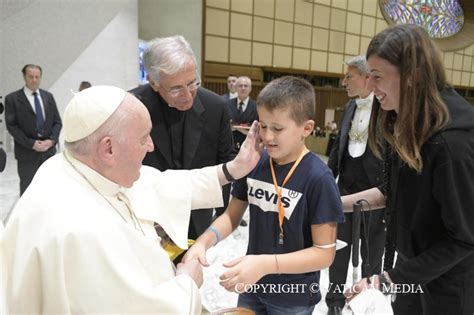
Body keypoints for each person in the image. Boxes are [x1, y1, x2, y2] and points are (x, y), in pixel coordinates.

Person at [2, 85, 262, 314]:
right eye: (143, 138)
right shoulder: (79, 229)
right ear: (109, 149)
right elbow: (138, 308)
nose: (151, 146)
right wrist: (187, 284)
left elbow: (162, 183)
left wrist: (232, 169)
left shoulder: (73, 165)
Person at [342, 25, 474, 314]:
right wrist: (335, 204)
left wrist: (387, 280)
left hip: (451, 280)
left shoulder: (452, 142)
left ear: (412, 76)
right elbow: (393, 192)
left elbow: (464, 237)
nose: (370, 86)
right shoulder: (405, 119)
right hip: (413, 265)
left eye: (376, 77)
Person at [185, 76, 345, 314]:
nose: (268, 137)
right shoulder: (256, 163)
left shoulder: (319, 178)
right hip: (251, 283)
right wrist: (203, 242)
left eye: (278, 129)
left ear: (307, 128)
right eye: (263, 126)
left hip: (293, 295)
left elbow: (324, 253)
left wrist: (264, 264)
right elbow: (231, 216)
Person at [130, 35, 235, 241]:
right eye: (176, 88)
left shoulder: (216, 107)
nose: (188, 96)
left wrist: (220, 213)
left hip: (196, 214)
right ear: (153, 82)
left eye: (192, 83)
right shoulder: (132, 106)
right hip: (148, 216)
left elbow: (224, 158)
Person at [325, 56, 385, 315]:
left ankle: (368, 301)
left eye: (349, 76)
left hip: (376, 194)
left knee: (373, 253)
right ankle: (335, 303)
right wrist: (328, 180)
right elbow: (339, 147)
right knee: (338, 250)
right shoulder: (349, 107)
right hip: (344, 191)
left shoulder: (386, 108)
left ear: (365, 77)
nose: (344, 81)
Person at [4, 64, 62, 195]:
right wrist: (32, 144)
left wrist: (51, 141)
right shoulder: (12, 99)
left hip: (48, 152)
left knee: (49, 188)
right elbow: (12, 126)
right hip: (27, 153)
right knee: (28, 190)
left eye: (37, 77)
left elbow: (57, 122)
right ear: (24, 77)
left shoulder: (48, 97)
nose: (34, 80)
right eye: (31, 77)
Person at [227, 76, 259, 151]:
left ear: (250, 88)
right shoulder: (227, 104)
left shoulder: (256, 106)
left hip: (249, 146)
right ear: (236, 88)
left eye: (246, 86)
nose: (243, 88)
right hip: (230, 145)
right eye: (240, 86)